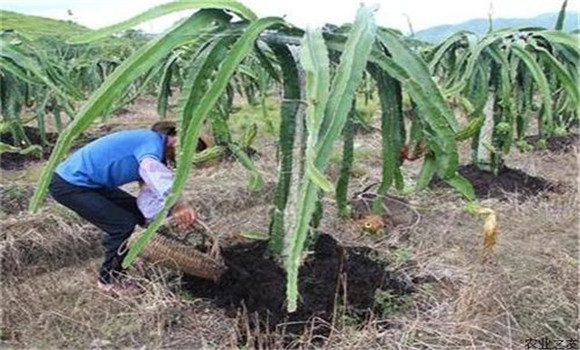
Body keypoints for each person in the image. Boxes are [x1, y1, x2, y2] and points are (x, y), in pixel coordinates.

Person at [49, 121, 197, 295]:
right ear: (176, 140)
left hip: (93, 184)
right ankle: (108, 280)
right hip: (70, 185)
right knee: (122, 226)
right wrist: (179, 205)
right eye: (194, 149)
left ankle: (153, 258)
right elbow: (157, 176)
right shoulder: (152, 144)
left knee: (137, 215)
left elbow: (147, 195)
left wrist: (161, 217)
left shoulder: (153, 148)